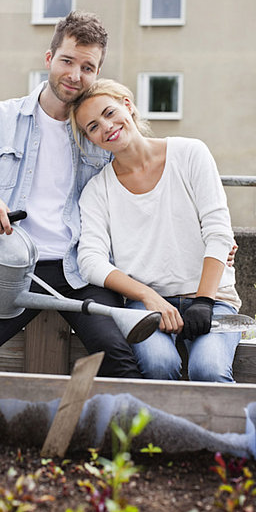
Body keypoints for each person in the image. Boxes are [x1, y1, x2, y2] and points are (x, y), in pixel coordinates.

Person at [0, 12, 144, 378]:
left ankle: (121, 437)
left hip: (81, 271)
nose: (75, 75)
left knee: (120, 359)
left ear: (97, 72)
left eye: (87, 67)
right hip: (12, 270)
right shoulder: (1, 117)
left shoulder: (99, 128)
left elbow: (147, 179)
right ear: (49, 59)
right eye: (67, 60)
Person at [71, 78, 242, 382]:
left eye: (109, 113)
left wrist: (203, 301)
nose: (106, 127)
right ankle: (163, 432)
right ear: (91, 139)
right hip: (145, 305)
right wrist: (148, 296)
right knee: (158, 365)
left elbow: (218, 233)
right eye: (93, 127)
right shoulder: (97, 190)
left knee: (209, 369)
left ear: (127, 105)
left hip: (213, 300)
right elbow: (90, 261)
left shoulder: (191, 153)